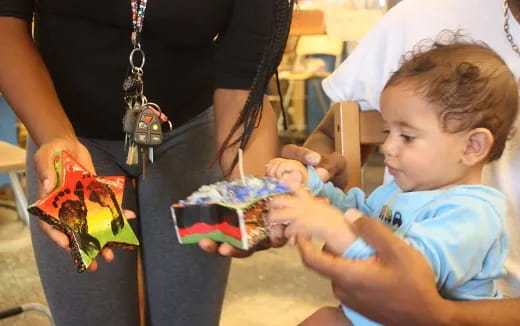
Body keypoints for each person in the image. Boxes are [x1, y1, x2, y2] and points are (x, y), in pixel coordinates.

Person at [0, 1, 294, 325]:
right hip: (67, 134)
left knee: (187, 315)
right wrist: (57, 138)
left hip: (189, 130)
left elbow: (243, 84)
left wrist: (252, 198)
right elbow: (6, 23)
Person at [279, 0, 520, 323]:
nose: (388, 147)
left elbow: (406, 269)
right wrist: (307, 184)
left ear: (473, 146)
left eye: (407, 136)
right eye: (388, 131)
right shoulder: (406, 191)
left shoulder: (471, 214)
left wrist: (328, 224)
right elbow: (355, 209)